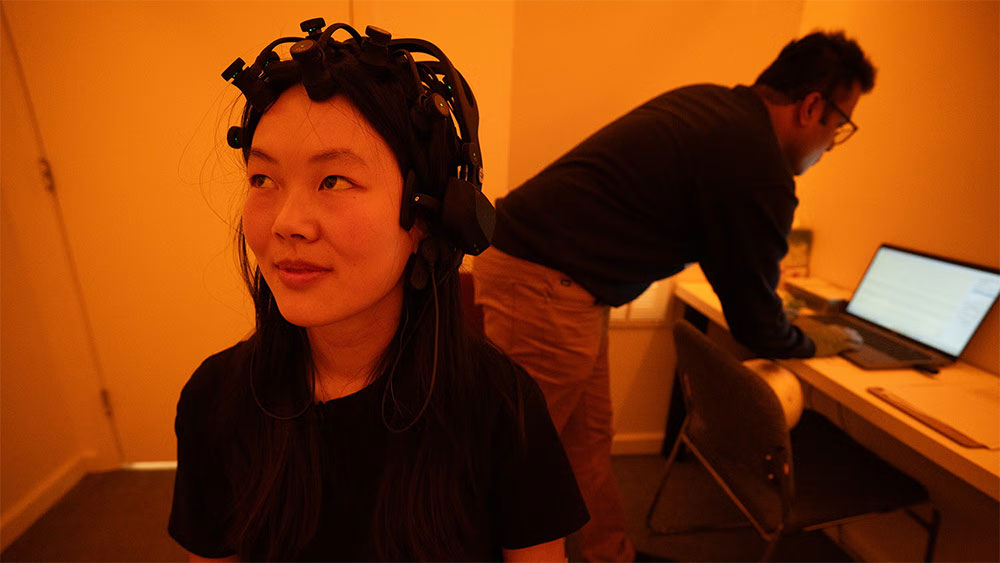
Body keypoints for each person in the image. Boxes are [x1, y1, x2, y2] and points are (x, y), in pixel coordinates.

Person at [168, 20, 588, 562]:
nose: (286, 224)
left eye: (333, 181)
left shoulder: (500, 405)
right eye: (262, 180)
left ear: (428, 214)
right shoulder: (213, 400)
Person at [472, 31, 874, 562]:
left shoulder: (717, 108)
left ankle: (609, 556)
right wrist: (814, 339)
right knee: (514, 457)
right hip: (545, 283)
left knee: (584, 445)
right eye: (839, 126)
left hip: (556, 280)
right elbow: (756, 323)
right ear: (812, 107)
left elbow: (739, 271)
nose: (831, 144)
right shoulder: (756, 163)